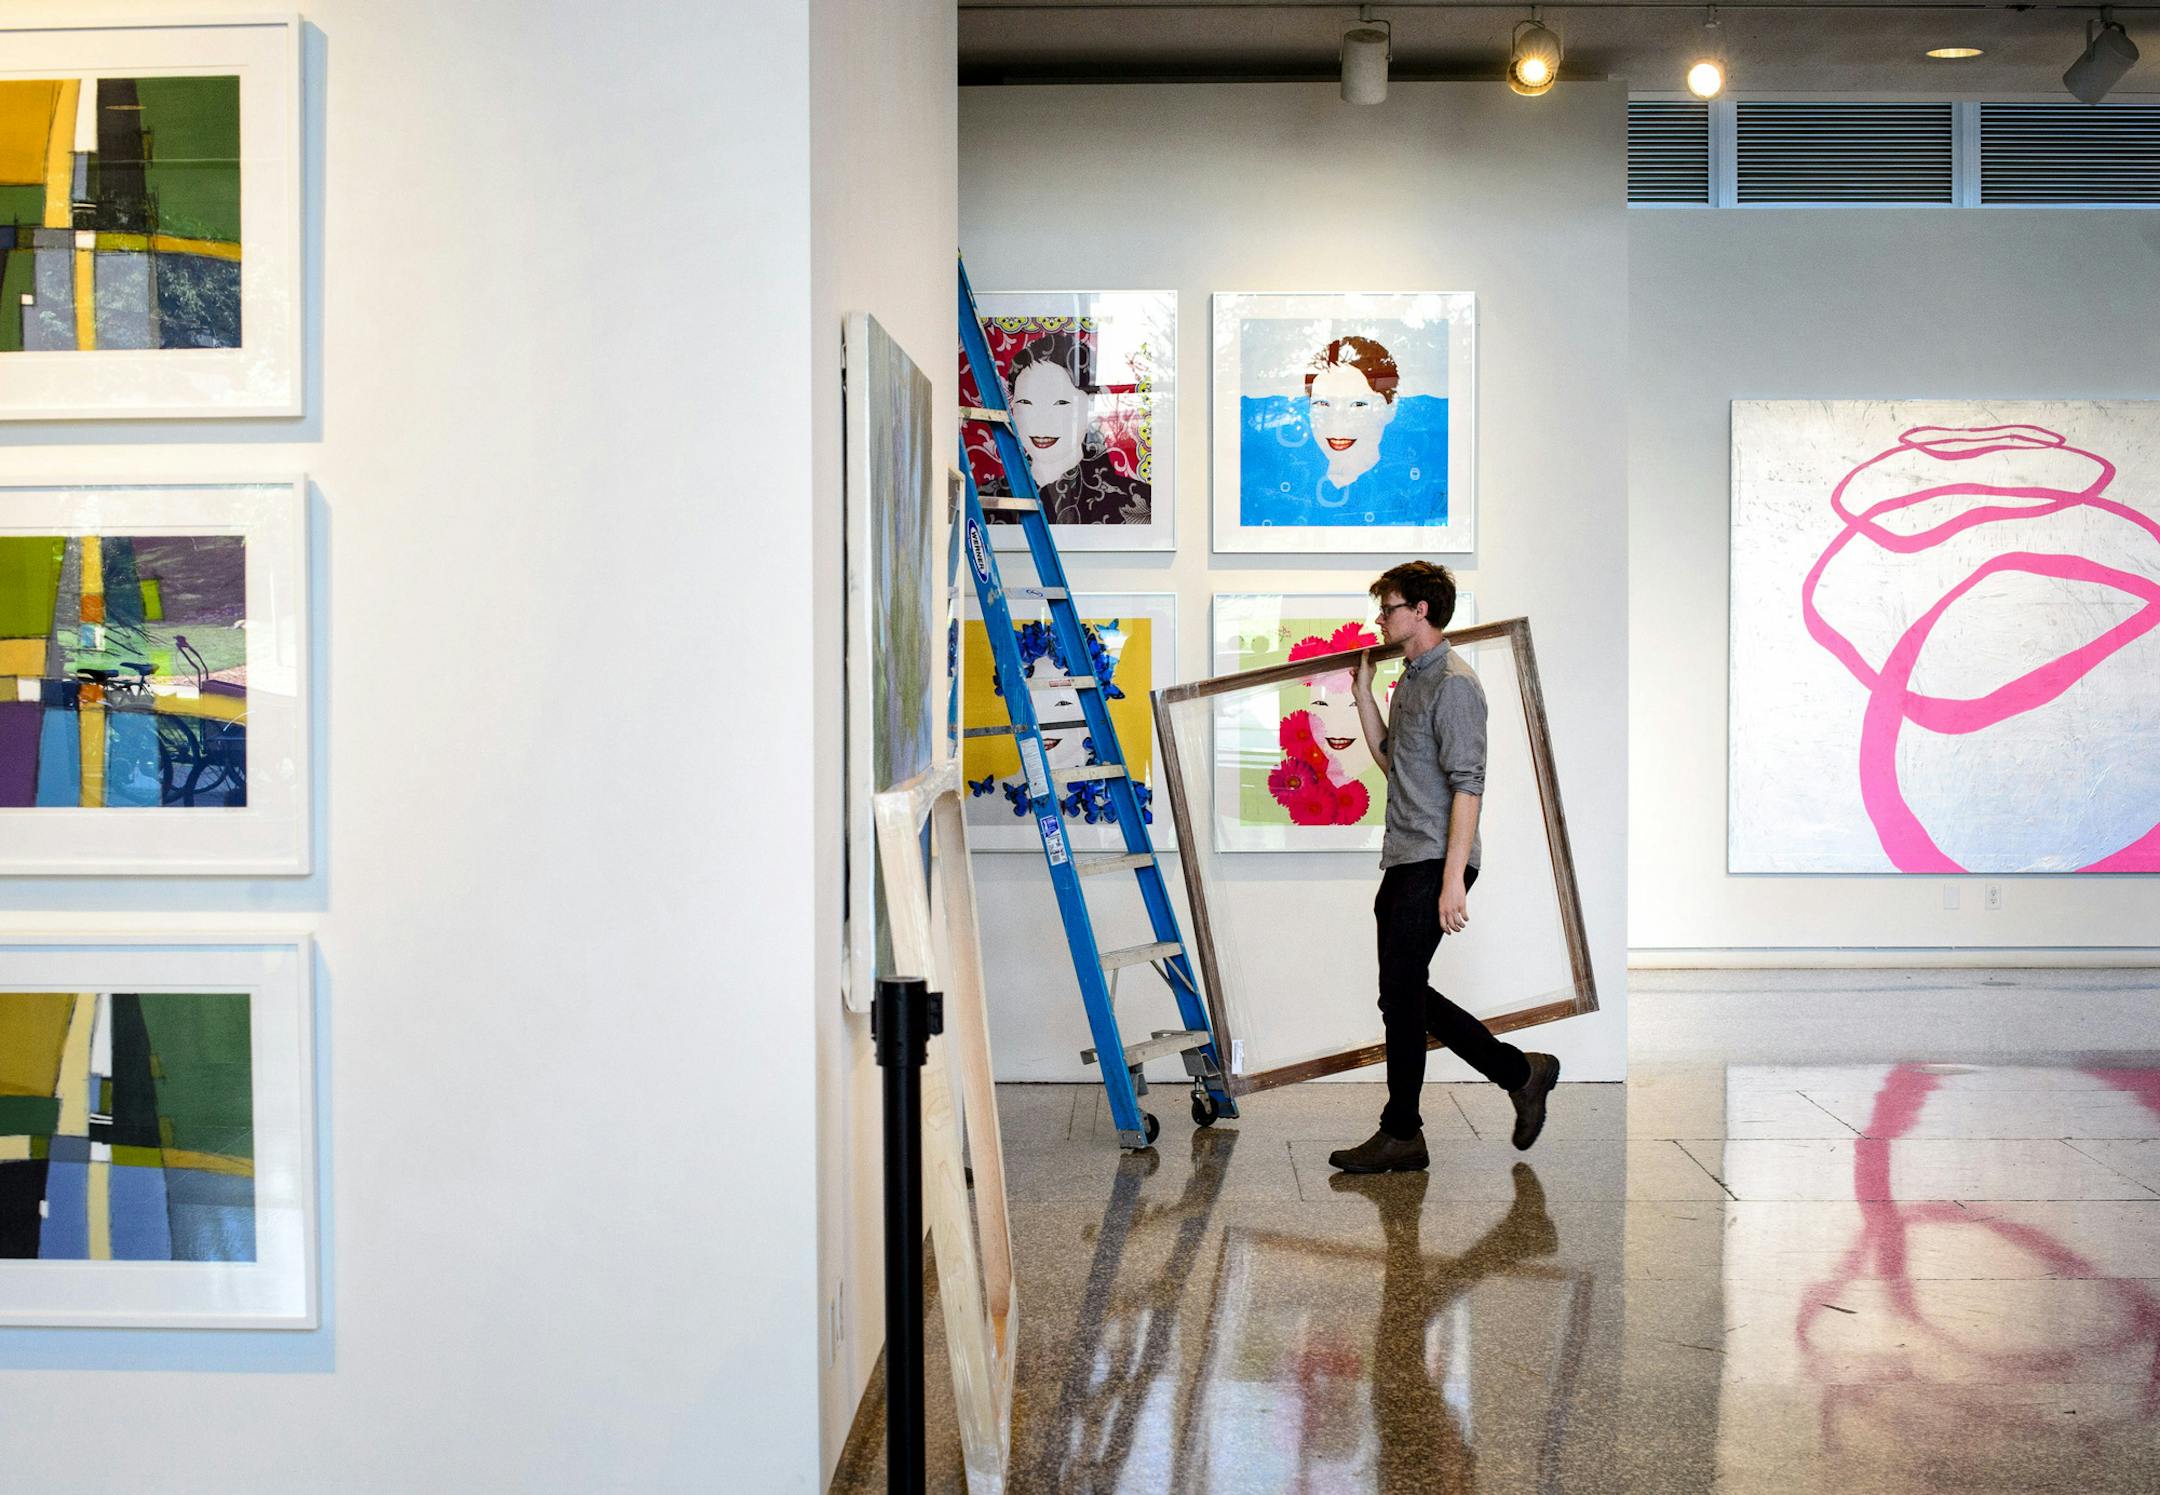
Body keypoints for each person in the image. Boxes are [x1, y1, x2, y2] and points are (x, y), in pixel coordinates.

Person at [1328, 561, 1560, 1173]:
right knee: (1400, 996)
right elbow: (1392, 765)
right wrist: (1362, 697)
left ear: (1421, 611)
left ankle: (1404, 1130)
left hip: (1435, 860)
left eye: (1390, 607)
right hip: (1405, 856)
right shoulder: (1409, 681)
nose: (1381, 618)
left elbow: (1468, 786)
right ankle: (1518, 1072)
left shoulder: (1455, 684)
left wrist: (1454, 877)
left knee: (1401, 994)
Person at [1003, 333, 1150, 526]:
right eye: (1026, 403)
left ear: (1090, 405)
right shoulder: (991, 496)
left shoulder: (1138, 500)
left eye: (1060, 403)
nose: (1041, 421)